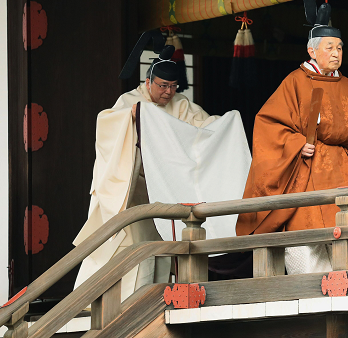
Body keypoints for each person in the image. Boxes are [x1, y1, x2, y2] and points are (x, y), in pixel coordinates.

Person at [236, 0, 348, 275]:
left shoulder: (344, 83)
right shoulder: (295, 82)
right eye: (330, 47)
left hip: (344, 170)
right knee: (308, 243)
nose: (337, 53)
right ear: (312, 49)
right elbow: (268, 124)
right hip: (309, 168)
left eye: (340, 47)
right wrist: (293, 144)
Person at [73, 31, 247, 300]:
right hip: (135, 192)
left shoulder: (181, 105)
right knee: (133, 248)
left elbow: (202, 131)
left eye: (173, 86)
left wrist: (225, 124)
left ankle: (157, 299)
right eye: (162, 85)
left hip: (165, 189)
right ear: (148, 81)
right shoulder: (131, 102)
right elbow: (106, 123)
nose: (168, 92)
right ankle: (118, 302)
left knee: (165, 248)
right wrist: (133, 118)